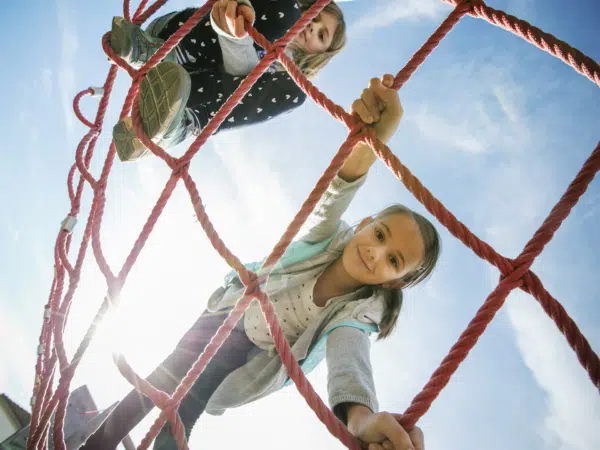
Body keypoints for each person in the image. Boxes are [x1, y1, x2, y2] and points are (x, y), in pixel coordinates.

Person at [79, 74, 439, 450]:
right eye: (379, 235)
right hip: (224, 314)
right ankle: (95, 444)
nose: (375, 252)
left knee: (184, 404)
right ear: (365, 224)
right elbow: (335, 194)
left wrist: (361, 419)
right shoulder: (328, 239)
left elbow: (349, 358)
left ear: (394, 281)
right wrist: (369, 140)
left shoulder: (361, 311)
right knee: (160, 379)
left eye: (393, 260)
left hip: (248, 352)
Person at [109, 0, 347, 161]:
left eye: (321, 35)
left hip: (186, 87)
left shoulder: (285, 74)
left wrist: (236, 40)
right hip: (177, 38)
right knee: (285, 14)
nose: (311, 27)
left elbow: (241, 80)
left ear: (319, 53)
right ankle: (150, 51)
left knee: (295, 92)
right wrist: (237, 17)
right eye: (314, 17)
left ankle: (172, 124)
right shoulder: (285, 10)